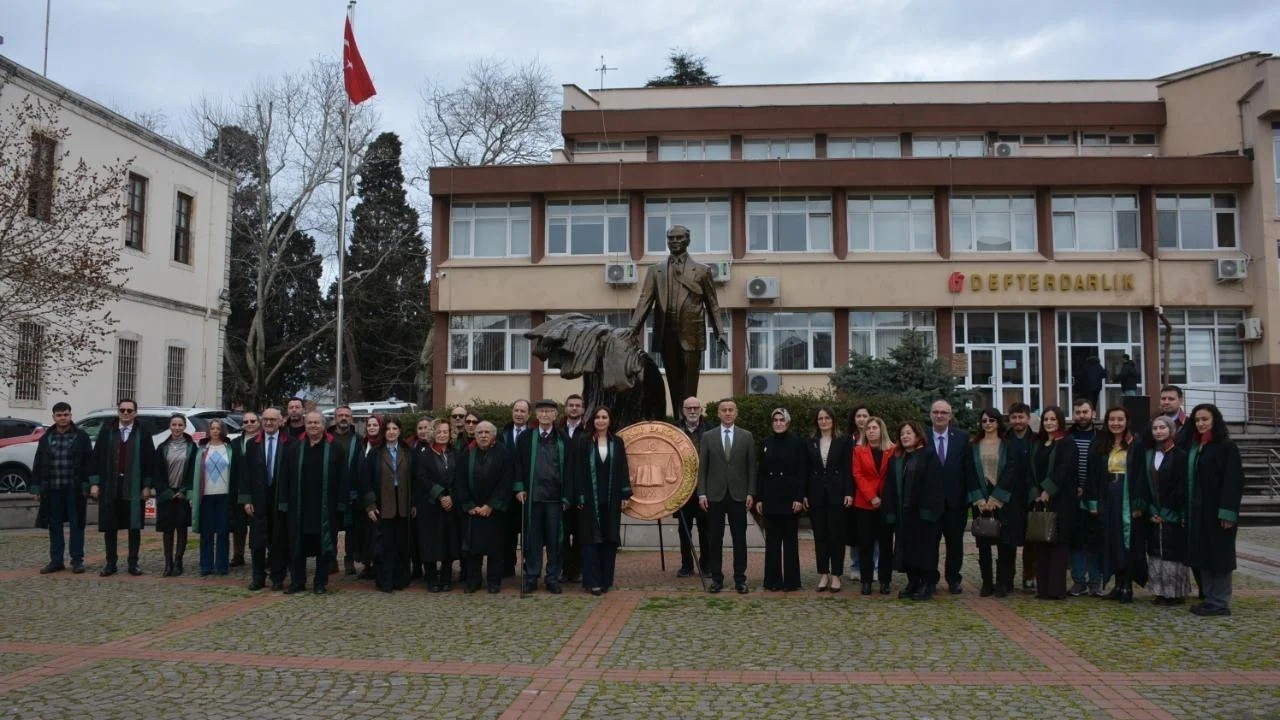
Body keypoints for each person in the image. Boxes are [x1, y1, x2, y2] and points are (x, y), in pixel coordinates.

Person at [628, 223, 729, 417]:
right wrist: (632, 329)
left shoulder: (701, 270)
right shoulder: (655, 270)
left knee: (690, 384)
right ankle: (678, 420)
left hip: (692, 333)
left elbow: (712, 304)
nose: (674, 242)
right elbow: (644, 301)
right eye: (671, 239)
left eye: (679, 238)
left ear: (688, 240)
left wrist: (721, 332)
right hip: (667, 333)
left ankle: (691, 422)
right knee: (673, 381)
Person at [1085, 406, 1147, 604]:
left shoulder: (1136, 444)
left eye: (1120, 419)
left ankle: (1127, 585)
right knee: (1111, 541)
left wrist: (1138, 504)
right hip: (1107, 496)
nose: (1116, 423)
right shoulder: (1100, 443)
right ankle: (1117, 584)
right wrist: (1092, 502)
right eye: (1112, 419)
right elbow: (1092, 475)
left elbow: (1141, 475)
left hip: (1127, 497)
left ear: (1127, 421)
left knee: (1127, 542)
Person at [1186, 403, 1243, 617]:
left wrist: (1228, 513)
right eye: (1197, 420)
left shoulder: (1226, 446)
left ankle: (1220, 602)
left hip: (1219, 512)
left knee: (1220, 557)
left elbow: (1233, 481)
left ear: (1214, 420)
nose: (1200, 423)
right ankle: (1209, 598)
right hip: (1200, 511)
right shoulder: (1198, 446)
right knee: (1204, 555)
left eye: (1205, 419)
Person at [279, 412, 345, 595]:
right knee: (297, 545)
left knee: (322, 547)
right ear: (305, 425)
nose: (313, 426)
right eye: (309, 423)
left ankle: (320, 582)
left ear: (324, 426)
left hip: (325, 507)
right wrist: (283, 501)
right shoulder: (294, 447)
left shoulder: (334, 448)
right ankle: (297, 581)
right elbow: (284, 475)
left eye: (317, 422)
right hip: (299, 507)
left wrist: (341, 503)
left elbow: (343, 478)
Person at [89, 399, 156, 577]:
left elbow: (150, 461)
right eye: (122, 410)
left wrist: (147, 486)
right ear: (118, 411)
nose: (126, 413)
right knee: (110, 526)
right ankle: (111, 563)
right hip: (111, 485)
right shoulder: (107, 431)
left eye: (129, 410)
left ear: (135, 413)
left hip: (134, 487)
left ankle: (133, 563)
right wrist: (95, 483)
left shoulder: (143, 433)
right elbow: (96, 459)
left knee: (133, 527)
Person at [967, 408, 1028, 598]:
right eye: (984, 421)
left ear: (998, 423)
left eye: (992, 420)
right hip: (981, 500)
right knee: (984, 545)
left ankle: (1003, 583)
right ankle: (987, 583)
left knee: (1005, 545)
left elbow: (1012, 472)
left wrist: (996, 498)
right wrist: (979, 499)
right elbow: (968, 472)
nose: (988, 424)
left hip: (1003, 501)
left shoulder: (1008, 445)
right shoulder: (973, 445)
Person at [697, 399, 757, 594]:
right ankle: (717, 579)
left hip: (739, 495)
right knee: (715, 539)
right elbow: (703, 468)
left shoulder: (746, 436)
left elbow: (751, 467)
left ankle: (740, 579)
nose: (728, 413)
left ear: (736, 413)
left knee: (739, 539)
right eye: (724, 410)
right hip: (714, 496)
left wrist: (750, 492)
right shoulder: (708, 436)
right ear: (719, 414)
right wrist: (702, 493)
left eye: (731, 410)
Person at [573, 406, 632, 596]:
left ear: (610, 420)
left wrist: (624, 494)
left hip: (611, 497)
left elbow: (623, 468)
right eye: (597, 417)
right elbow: (578, 471)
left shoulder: (618, 442)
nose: (600, 420)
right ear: (592, 421)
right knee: (590, 540)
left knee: (609, 538)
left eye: (604, 417)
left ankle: (606, 579)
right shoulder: (584, 442)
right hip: (590, 499)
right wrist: (580, 495)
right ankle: (592, 581)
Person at [514, 400, 571, 594]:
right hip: (533, 498)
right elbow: (518, 465)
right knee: (533, 541)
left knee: (555, 541)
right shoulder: (525, 438)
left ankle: (553, 578)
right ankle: (531, 577)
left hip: (555, 499)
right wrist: (520, 487)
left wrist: (567, 497)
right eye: (541, 411)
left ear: (556, 415)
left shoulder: (563, 439)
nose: (545, 415)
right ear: (536, 415)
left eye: (549, 411)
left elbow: (571, 469)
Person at [30, 402, 93, 574]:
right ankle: (56, 560)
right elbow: (38, 464)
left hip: (75, 488)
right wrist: (36, 489)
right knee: (54, 525)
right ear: (53, 417)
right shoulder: (46, 438)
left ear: (70, 415)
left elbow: (89, 462)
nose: (63, 418)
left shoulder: (81, 437)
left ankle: (77, 560)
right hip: (52, 489)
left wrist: (89, 484)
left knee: (77, 524)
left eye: (66, 414)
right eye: (59, 415)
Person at [884, 420, 944, 601]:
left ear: (918, 435)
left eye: (909, 433)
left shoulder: (928, 455)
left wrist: (927, 511)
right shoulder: (896, 459)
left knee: (924, 550)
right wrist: (891, 512)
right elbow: (889, 487)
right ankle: (913, 582)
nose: (905, 436)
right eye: (902, 434)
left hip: (923, 515)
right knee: (906, 550)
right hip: (904, 515)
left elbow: (934, 485)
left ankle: (927, 584)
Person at [455, 421, 515, 593]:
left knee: (495, 549)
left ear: (493, 435)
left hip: (494, 511)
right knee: (474, 550)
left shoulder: (503, 454)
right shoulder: (467, 453)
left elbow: (506, 482)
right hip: (473, 510)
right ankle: (473, 581)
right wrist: (468, 505)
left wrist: (491, 505)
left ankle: (494, 582)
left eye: (486, 432)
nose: (482, 435)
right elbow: (460, 480)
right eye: (479, 432)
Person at [1029, 406, 1079, 600]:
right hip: (1039, 501)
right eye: (1046, 419)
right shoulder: (1038, 443)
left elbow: (1064, 469)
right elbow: (1030, 470)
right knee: (1041, 542)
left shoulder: (1067, 442)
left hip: (1061, 501)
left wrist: (1048, 490)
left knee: (1058, 544)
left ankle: (1055, 590)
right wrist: (1035, 491)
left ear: (1059, 421)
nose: (1049, 422)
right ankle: (1042, 589)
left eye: (1053, 419)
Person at [1143, 416, 1191, 606]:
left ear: (1171, 430)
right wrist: (1151, 509)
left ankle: (1175, 592)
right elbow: (1146, 484)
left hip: (1173, 512)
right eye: (1155, 428)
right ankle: (1160, 591)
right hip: (1154, 511)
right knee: (1156, 552)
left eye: (1163, 427)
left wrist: (1169, 511)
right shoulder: (1149, 454)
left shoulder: (1180, 455)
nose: (1159, 431)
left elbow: (1181, 486)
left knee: (1173, 553)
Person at [363, 417, 414, 593]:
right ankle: (385, 580)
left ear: (400, 431)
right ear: (383, 432)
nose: (391, 432)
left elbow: (415, 480)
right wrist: (370, 505)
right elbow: (366, 481)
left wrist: (414, 504)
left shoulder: (408, 452)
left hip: (403, 506)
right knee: (384, 546)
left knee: (401, 544)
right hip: (382, 506)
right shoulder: (375, 454)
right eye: (388, 429)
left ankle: (400, 579)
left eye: (395, 429)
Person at [758, 408, 807, 592]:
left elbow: (802, 473)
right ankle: (772, 580)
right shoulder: (765, 443)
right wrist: (760, 498)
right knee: (772, 543)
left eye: (782, 420)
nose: (778, 423)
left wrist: (799, 497)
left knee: (790, 542)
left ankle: (792, 581)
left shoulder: (798, 443)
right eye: (775, 420)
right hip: (770, 498)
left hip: (790, 499)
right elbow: (761, 473)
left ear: (788, 422)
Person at [244, 407, 291, 591]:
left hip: (280, 498)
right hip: (258, 499)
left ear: (280, 421)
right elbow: (245, 475)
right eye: (266, 419)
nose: (269, 423)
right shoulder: (252, 445)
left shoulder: (290, 443)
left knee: (278, 540)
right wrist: (247, 499)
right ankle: (258, 577)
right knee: (257, 541)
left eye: (273, 419)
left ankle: (277, 577)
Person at [806, 406, 853, 593]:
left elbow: (849, 469)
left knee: (837, 536)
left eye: (827, 418)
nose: (823, 421)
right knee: (820, 536)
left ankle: (836, 575)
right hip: (816, 495)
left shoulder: (844, 442)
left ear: (833, 420)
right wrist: (804, 494)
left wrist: (849, 492)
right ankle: (823, 573)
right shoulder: (810, 442)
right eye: (820, 418)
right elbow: (806, 471)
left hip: (837, 494)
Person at [928, 399, 971, 594]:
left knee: (955, 544)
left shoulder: (962, 438)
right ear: (930, 415)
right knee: (930, 543)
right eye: (936, 412)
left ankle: (953, 578)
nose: (939, 416)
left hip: (956, 502)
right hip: (930, 503)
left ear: (950, 416)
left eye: (943, 413)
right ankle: (931, 578)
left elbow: (968, 469)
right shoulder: (923, 437)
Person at [414, 418, 462, 592]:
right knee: (430, 542)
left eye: (445, 432)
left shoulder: (456, 454)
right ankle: (432, 577)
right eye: (439, 432)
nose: (442, 435)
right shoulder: (423, 454)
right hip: (430, 505)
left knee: (449, 542)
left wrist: (451, 497)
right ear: (433, 433)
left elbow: (460, 479)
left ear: (450, 434)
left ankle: (447, 577)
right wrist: (441, 496)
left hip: (451, 506)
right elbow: (421, 478)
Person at [192, 419, 242, 577]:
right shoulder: (201, 449)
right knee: (206, 532)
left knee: (223, 531)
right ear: (208, 431)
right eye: (212, 428)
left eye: (218, 428)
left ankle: (221, 566)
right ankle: (205, 565)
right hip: (206, 495)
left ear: (223, 430)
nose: (215, 431)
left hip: (224, 495)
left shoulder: (229, 449)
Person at [853, 416, 896, 595]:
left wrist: (883, 498)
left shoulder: (892, 450)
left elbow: (894, 476)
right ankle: (866, 581)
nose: (871, 431)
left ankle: (885, 581)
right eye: (868, 428)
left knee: (886, 545)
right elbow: (857, 474)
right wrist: (871, 497)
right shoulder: (859, 451)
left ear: (881, 430)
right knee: (865, 544)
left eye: (874, 428)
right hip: (865, 504)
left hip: (886, 504)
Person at [1067, 398, 1103, 597]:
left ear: (1093, 413)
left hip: (1094, 496)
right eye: (1078, 412)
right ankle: (1079, 580)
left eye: (1085, 412)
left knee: (1094, 541)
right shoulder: (1068, 436)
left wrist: (1089, 489)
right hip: (1072, 497)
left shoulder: (1101, 437)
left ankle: (1096, 581)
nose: (1081, 416)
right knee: (1076, 541)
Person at [154, 414, 197, 578]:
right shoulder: (162, 447)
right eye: (174, 425)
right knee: (167, 529)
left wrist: (185, 490)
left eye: (180, 425)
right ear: (169, 426)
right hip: (167, 493)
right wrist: (165, 492)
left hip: (182, 493)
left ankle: (179, 561)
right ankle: (168, 563)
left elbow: (193, 470)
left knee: (181, 528)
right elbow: (157, 472)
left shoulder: (192, 447)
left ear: (184, 427)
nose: (177, 428)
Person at [676, 397, 712, 578]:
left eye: (695, 407)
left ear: (701, 409)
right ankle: (686, 565)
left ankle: (706, 565)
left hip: (703, 489)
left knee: (705, 529)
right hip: (682, 490)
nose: (692, 411)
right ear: (683, 410)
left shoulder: (710, 430)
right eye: (688, 408)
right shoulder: (675, 430)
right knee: (683, 530)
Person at [1005, 403, 1038, 592]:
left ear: (1028, 418)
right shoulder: (1004, 439)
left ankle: (1029, 576)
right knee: (1008, 539)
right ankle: (1008, 577)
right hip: (1009, 496)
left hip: (1030, 495)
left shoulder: (1035, 439)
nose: (1018, 421)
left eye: (1021, 417)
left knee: (1031, 539)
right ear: (1010, 419)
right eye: (1014, 417)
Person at [499, 399, 532, 578]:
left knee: (527, 530)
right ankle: (508, 566)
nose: (519, 414)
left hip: (527, 491)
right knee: (508, 531)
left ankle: (528, 565)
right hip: (506, 492)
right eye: (516, 410)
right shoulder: (502, 434)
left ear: (528, 415)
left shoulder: (534, 434)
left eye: (523, 411)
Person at [328, 406, 361, 576]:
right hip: (331, 490)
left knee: (351, 527)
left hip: (351, 489)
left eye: (346, 416)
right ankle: (331, 559)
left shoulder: (358, 439)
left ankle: (349, 559)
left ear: (351, 418)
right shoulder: (327, 438)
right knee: (331, 526)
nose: (343, 418)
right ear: (335, 417)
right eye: (340, 415)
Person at [352, 415, 385, 580]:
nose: (372, 428)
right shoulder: (362, 444)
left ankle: (378, 564)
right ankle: (366, 565)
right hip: (361, 497)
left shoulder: (382, 447)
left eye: (375, 425)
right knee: (363, 533)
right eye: (369, 425)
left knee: (376, 534)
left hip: (377, 497)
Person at [559, 394, 587, 585]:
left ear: (583, 410)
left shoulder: (588, 432)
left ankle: (577, 571)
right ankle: (563, 570)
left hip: (581, 494)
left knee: (580, 536)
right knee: (560, 536)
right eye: (571, 405)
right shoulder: (557, 431)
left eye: (578, 405)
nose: (574, 408)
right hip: (560, 494)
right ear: (566, 408)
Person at [228, 411, 260, 567]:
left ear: (258, 423)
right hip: (237, 488)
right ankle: (238, 554)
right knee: (238, 524)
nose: (249, 424)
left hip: (258, 489)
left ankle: (259, 553)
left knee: (257, 525)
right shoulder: (235, 443)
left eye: (252, 421)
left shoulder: (264, 441)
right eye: (246, 421)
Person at [846, 405, 871, 580]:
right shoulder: (849, 440)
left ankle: (874, 565)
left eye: (864, 415)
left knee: (873, 532)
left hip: (872, 493)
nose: (861, 419)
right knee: (854, 531)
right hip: (853, 491)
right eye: (858, 416)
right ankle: (855, 565)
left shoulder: (876, 437)